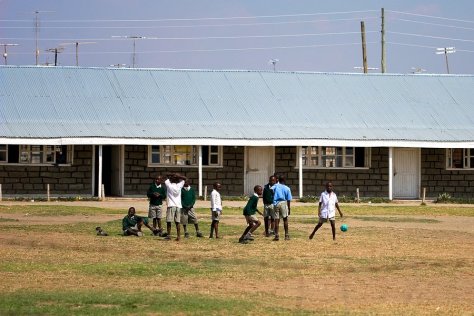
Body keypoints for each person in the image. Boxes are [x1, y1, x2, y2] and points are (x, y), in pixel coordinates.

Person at [164, 173, 187, 241]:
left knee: (169, 221)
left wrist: (171, 175)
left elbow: (166, 177)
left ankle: (168, 235)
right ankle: (178, 236)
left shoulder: (169, 185)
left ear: (171, 180)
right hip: (178, 205)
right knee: (177, 221)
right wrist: (178, 176)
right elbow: (185, 179)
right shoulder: (179, 185)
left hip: (171, 205)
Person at [271, 175, 292, 241]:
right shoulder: (287, 188)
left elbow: (271, 189)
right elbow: (288, 199)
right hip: (283, 203)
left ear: (278, 180)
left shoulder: (275, 186)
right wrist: (289, 208)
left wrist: (274, 195)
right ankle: (286, 235)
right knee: (285, 219)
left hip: (276, 203)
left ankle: (276, 235)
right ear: (284, 180)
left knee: (276, 220)